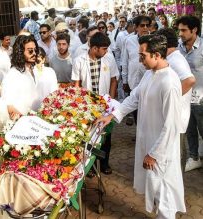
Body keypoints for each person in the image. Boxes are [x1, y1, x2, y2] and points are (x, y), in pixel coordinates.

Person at [96, 34, 186, 218]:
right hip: (149, 139)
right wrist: (113, 115)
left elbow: (171, 125)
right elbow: (134, 98)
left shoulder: (169, 83)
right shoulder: (149, 74)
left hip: (162, 149)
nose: (139, 60)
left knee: (164, 191)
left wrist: (154, 154)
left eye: (143, 55)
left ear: (157, 55)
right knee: (155, 188)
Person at [72, 32, 119, 174]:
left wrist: (110, 100)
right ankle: (90, 167)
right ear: (94, 48)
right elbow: (76, 84)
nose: (106, 51)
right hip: (87, 105)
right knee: (88, 137)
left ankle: (104, 164)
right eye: (104, 49)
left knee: (106, 136)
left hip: (105, 104)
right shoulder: (79, 60)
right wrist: (79, 104)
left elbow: (113, 80)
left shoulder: (109, 59)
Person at [156, 28, 196, 173]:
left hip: (177, 117)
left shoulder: (176, 60)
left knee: (176, 157)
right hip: (174, 117)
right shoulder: (171, 58)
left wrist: (172, 97)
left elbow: (190, 80)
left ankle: (177, 193)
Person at [176, 15, 203, 171]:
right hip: (184, 96)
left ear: (194, 30)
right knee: (189, 128)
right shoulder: (178, 47)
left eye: (184, 30)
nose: (180, 34)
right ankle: (194, 157)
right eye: (179, 30)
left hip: (201, 97)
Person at [1, 34, 39, 116]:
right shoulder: (12, 75)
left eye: (35, 50)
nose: (34, 53)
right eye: (30, 51)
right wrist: (25, 120)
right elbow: (8, 106)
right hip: (24, 122)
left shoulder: (35, 69)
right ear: (20, 52)